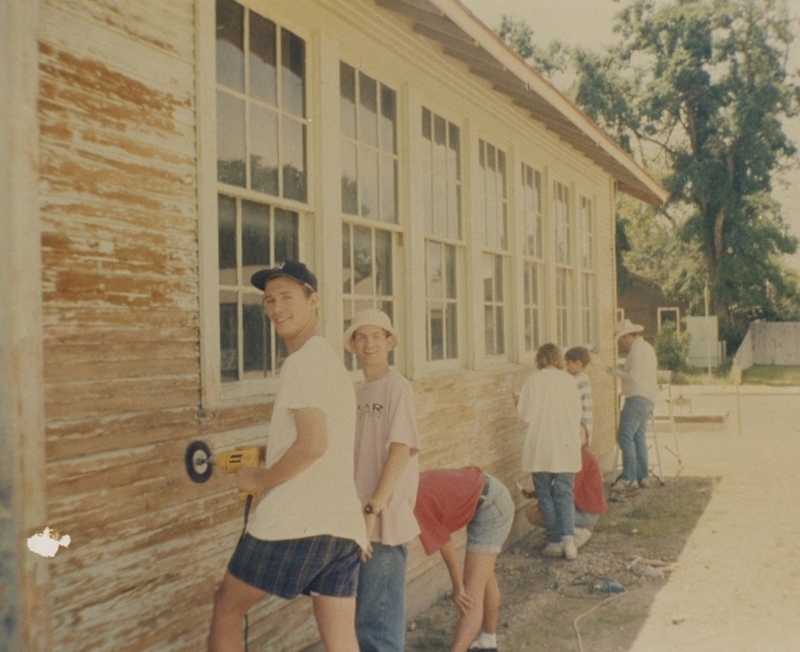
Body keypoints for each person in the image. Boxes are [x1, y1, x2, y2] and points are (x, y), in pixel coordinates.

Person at [208, 261, 367, 652]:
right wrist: (264, 453)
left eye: (288, 298)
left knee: (227, 607)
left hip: (298, 517)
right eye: (269, 300)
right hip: (342, 527)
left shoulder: (302, 363)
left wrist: (258, 480)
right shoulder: (328, 360)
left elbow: (313, 445)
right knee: (341, 638)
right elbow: (315, 438)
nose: (277, 309)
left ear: (313, 301)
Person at [343, 309, 421, 652]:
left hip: (383, 521)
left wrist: (372, 511)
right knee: (362, 619)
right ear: (354, 346)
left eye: (377, 336)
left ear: (389, 342)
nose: (369, 343)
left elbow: (401, 452)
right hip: (359, 521)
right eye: (361, 337)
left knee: (379, 627)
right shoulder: (357, 395)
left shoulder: (397, 387)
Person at [414, 467, 514, 652]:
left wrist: (458, 587)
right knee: (483, 576)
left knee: (470, 593)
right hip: (488, 494)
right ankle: (488, 641)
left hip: (492, 506)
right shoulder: (411, 486)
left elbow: (446, 547)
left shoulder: (416, 503)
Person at [516, 343, 582, 560]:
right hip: (565, 445)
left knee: (545, 493)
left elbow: (525, 414)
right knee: (564, 493)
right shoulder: (569, 381)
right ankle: (569, 542)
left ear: (539, 359)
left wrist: (517, 402)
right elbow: (576, 413)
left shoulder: (534, 380)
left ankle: (554, 541)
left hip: (542, 445)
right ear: (558, 359)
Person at [524, 427, 607, 549]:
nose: (574, 438)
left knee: (535, 514)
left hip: (586, 514)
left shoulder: (582, 458)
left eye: (579, 434)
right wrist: (534, 493)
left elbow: (567, 490)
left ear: (586, 439)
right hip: (583, 511)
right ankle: (571, 531)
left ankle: (577, 532)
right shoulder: (576, 457)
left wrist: (539, 494)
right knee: (543, 509)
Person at [606, 319, 659, 501]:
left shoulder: (637, 352)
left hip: (637, 397)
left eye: (621, 340)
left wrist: (615, 371)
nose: (621, 344)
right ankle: (643, 476)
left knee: (624, 435)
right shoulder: (646, 348)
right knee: (638, 437)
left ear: (627, 337)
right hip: (648, 397)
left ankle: (627, 478)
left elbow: (634, 376)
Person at [565, 346, 593, 445]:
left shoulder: (578, 381)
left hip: (580, 429)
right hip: (585, 429)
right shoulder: (584, 379)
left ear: (578, 363)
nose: (566, 366)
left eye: (568, 363)